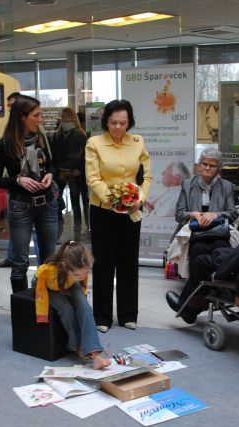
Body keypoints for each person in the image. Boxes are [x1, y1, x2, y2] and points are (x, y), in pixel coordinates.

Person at [85, 99, 152, 332]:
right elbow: (93, 178)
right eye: (113, 122)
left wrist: (139, 198)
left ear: (129, 122)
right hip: (103, 210)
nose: (118, 127)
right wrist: (115, 201)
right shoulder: (94, 143)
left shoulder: (138, 142)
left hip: (131, 210)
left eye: (123, 123)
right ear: (106, 121)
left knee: (128, 261)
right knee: (103, 263)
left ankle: (128, 314)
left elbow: (146, 176)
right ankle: (102, 317)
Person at [0, 94, 57, 292]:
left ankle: (45, 304)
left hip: (47, 204)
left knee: (49, 262)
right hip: (21, 206)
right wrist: (18, 180)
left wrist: (50, 175)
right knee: (20, 263)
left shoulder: (41, 138)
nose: (40, 119)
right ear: (22, 117)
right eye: (36, 115)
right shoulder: (4, 144)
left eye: (40, 115)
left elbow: (51, 165)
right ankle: (22, 306)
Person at [165, 149, 237, 318]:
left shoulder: (226, 186)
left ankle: (187, 307)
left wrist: (215, 215)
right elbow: (179, 214)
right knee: (199, 254)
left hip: (218, 232)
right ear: (199, 165)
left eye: (212, 165)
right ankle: (194, 307)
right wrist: (194, 214)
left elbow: (232, 213)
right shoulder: (188, 184)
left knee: (218, 254)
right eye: (204, 164)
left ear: (218, 169)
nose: (207, 168)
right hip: (196, 232)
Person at [34, 240, 110, 370]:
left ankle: (96, 354)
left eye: (85, 273)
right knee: (66, 309)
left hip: (68, 282)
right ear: (65, 266)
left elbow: (81, 289)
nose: (82, 277)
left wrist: (79, 295)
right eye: (77, 274)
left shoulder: (80, 270)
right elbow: (40, 290)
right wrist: (41, 314)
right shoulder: (47, 271)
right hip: (47, 287)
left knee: (85, 307)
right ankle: (77, 346)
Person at [51, 107, 89, 235]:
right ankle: (59, 230)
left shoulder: (80, 133)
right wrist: (56, 170)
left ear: (73, 117)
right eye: (63, 116)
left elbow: (85, 154)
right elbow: (54, 154)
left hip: (76, 173)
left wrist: (79, 169)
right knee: (57, 199)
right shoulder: (57, 134)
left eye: (67, 116)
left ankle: (80, 230)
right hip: (60, 172)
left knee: (76, 202)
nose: (65, 119)